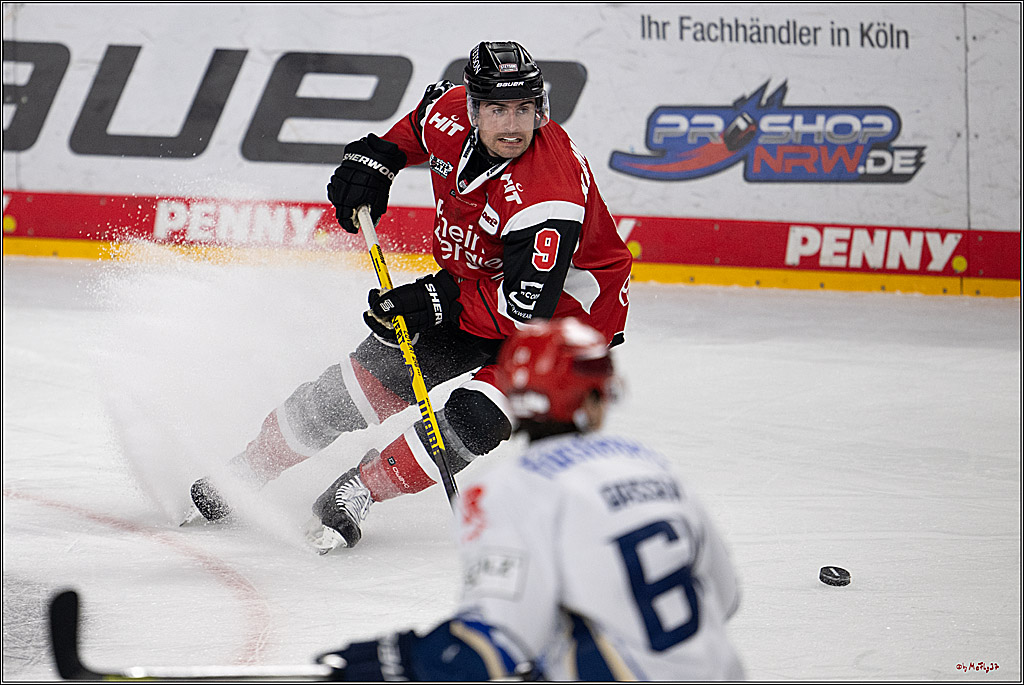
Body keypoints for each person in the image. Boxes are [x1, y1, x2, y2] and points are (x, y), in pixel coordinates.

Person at [187, 40, 633, 551]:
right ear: (473, 109)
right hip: (476, 286)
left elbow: (523, 310)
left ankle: (361, 488)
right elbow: (417, 127)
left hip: (564, 320)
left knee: (479, 418)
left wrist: (433, 301)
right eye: (497, 109)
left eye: (524, 109)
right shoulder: (449, 113)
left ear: (540, 109)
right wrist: (379, 159)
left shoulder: (548, 197)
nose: (513, 125)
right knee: (358, 390)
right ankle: (248, 469)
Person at [311, 318, 745, 681]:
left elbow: (487, 648)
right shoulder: (654, 467)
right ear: (594, 400)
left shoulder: (509, 491)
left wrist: (398, 658)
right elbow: (724, 598)